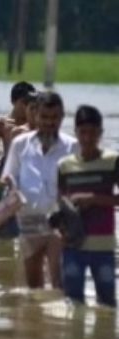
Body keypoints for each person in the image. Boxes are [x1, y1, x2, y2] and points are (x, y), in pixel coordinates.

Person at [1, 91, 78, 289]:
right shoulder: (21, 144)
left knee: (57, 280)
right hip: (29, 221)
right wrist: (9, 189)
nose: (49, 122)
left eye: (54, 118)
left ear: (62, 117)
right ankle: (35, 318)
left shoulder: (72, 147)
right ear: (36, 115)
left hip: (60, 223)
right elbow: (9, 177)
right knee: (33, 284)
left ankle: (61, 315)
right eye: (44, 117)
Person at [58, 105, 117, 307]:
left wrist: (94, 199)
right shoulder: (65, 166)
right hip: (72, 246)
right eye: (83, 132)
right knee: (73, 305)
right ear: (76, 133)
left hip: (104, 246)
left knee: (107, 305)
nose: (87, 138)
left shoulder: (112, 162)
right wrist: (61, 229)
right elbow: (57, 206)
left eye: (93, 133)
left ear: (100, 133)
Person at [0, 81, 37, 206]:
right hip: (5, 170)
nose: (27, 108)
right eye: (24, 103)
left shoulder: (34, 125)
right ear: (13, 101)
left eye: (30, 104)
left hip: (27, 170)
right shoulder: (1, 124)